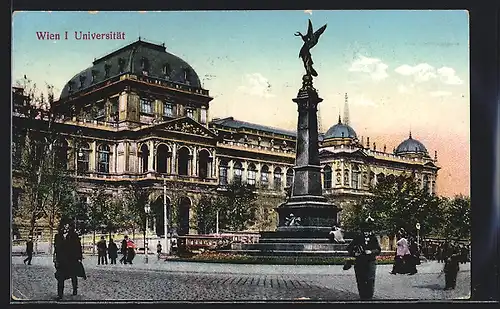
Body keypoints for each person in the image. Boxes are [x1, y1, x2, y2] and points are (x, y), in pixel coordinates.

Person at [346, 215, 381, 300]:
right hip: (359, 262)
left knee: (370, 279)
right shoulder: (358, 237)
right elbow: (349, 248)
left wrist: (371, 251)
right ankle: (362, 296)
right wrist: (355, 252)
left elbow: (378, 250)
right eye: (364, 231)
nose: (366, 233)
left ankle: (369, 296)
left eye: (367, 231)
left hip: (370, 261)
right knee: (360, 279)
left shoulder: (373, 238)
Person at [53, 223, 86, 300]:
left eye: (67, 226)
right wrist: (54, 258)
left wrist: (79, 257)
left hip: (72, 259)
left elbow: (78, 246)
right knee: (60, 276)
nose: (66, 228)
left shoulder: (74, 236)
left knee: (73, 275)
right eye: (64, 226)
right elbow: (56, 248)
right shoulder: (57, 236)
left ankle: (75, 289)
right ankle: (60, 294)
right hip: (61, 259)